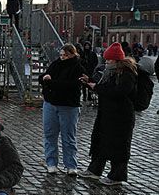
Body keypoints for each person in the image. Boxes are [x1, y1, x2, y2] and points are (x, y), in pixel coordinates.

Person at [79, 43, 138, 185]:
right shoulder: (110, 72)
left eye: (108, 60)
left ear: (117, 60)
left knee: (118, 146)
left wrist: (97, 87)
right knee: (100, 141)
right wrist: (91, 83)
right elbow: (105, 87)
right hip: (107, 113)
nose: (106, 63)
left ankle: (117, 175)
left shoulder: (127, 73)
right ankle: (95, 170)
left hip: (121, 116)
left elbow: (118, 91)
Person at [39, 44, 85, 175]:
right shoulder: (55, 64)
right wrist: (45, 80)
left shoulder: (78, 67)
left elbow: (72, 85)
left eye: (65, 55)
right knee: (50, 134)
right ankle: (51, 163)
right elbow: (44, 76)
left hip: (69, 106)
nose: (63, 57)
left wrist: (51, 82)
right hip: (51, 103)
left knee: (68, 136)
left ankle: (71, 165)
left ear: (72, 54)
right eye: (61, 55)